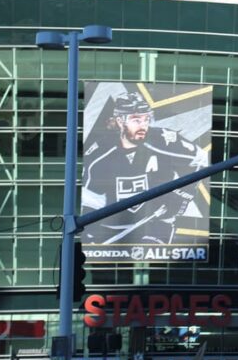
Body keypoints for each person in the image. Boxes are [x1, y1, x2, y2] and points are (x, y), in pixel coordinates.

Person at [81, 91, 209, 246]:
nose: (143, 126)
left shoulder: (163, 140)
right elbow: (90, 199)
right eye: (136, 120)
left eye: (146, 119)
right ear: (121, 121)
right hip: (111, 229)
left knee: (153, 259)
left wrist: (182, 194)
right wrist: (90, 233)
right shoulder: (100, 153)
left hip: (156, 224)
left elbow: (200, 159)